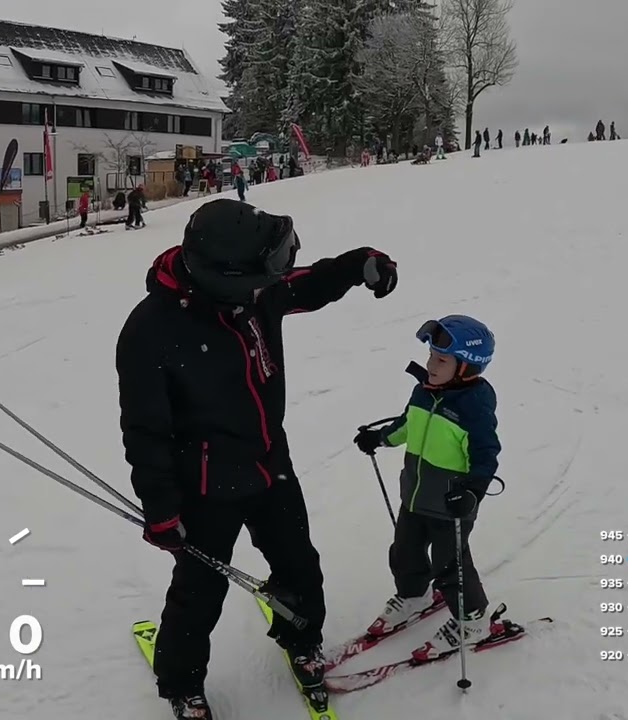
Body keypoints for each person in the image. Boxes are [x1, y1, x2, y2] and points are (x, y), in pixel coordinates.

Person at [116, 198, 399, 720]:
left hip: (270, 462)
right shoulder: (150, 332)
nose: (269, 285)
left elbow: (308, 283)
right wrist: (161, 509)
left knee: (298, 563)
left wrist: (360, 264)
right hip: (205, 484)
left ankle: (302, 638)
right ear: (225, 276)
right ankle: (182, 684)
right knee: (199, 593)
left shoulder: (254, 292)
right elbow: (144, 432)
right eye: (259, 278)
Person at [352, 315, 501, 661]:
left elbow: (486, 455)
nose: (431, 365)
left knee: (451, 567)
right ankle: (414, 595)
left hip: (451, 504)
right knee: (404, 553)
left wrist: (472, 492)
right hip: (415, 496)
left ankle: (473, 620)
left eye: (442, 360)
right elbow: (407, 425)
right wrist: (380, 438)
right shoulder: (423, 392)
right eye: (431, 356)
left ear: (466, 366)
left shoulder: (473, 407)